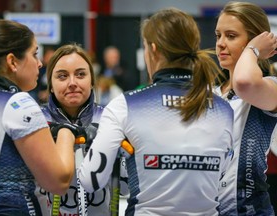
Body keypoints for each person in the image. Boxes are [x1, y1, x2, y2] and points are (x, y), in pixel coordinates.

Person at [78, 7, 234, 215]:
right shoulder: (224, 108)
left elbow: (91, 181)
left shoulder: (125, 105)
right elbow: (221, 175)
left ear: (153, 49)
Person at [0, 19, 78, 215]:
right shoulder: (17, 103)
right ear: (12, 61)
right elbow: (59, 181)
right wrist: (66, 132)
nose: (39, 64)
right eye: (34, 54)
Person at [39, 43, 128, 215]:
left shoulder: (109, 119)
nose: (72, 83)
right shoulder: (34, 120)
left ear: (92, 80)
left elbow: (125, 188)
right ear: (50, 84)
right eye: (62, 76)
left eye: (80, 74)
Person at [214, 1, 277, 215]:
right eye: (218, 35)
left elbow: (244, 83)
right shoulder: (210, 91)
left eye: (231, 36)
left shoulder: (270, 85)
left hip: (249, 210)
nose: (221, 43)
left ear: (254, 41)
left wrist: (253, 50)